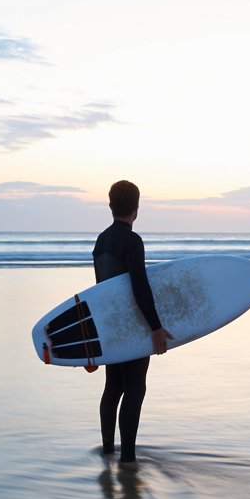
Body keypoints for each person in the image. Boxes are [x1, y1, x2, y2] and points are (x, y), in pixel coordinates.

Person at [92, 181, 173, 467]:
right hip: (132, 325)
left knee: (113, 386)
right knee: (135, 388)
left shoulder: (101, 241)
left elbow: (101, 292)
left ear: (110, 205)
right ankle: (127, 459)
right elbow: (139, 286)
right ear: (136, 208)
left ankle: (107, 451)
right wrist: (155, 327)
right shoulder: (132, 241)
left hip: (110, 325)